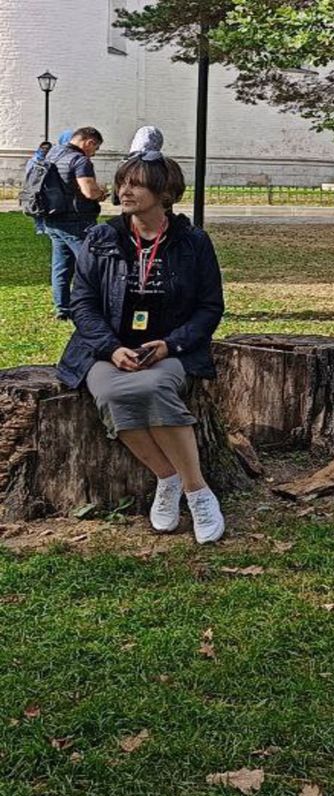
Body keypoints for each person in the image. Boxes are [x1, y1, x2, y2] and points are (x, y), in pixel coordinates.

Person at [56, 152, 226, 544]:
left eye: (136, 183)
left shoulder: (193, 242)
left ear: (164, 191)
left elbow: (210, 306)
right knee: (113, 392)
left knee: (153, 388)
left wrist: (172, 345)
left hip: (170, 350)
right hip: (105, 350)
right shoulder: (102, 238)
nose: (124, 190)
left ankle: (198, 491)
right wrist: (111, 348)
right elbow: (81, 302)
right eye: (122, 182)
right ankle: (167, 479)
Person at [42, 126, 108, 321]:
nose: (94, 153)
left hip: (52, 217)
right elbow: (88, 191)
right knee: (91, 263)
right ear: (89, 142)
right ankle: (94, 306)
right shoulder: (80, 160)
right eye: (95, 149)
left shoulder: (53, 153)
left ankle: (62, 308)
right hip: (76, 220)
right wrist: (101, 193)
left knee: (61, 266)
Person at [24, 141, 53, 235]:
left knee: (46, 207)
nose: (45, 150)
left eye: (47, 148)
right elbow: (28, 174)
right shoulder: (33, 161)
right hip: (34, 187)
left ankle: (46, 227)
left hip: (47, 187)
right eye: (43, 148)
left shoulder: (51, 161)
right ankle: (39, 227)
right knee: (35, 206)